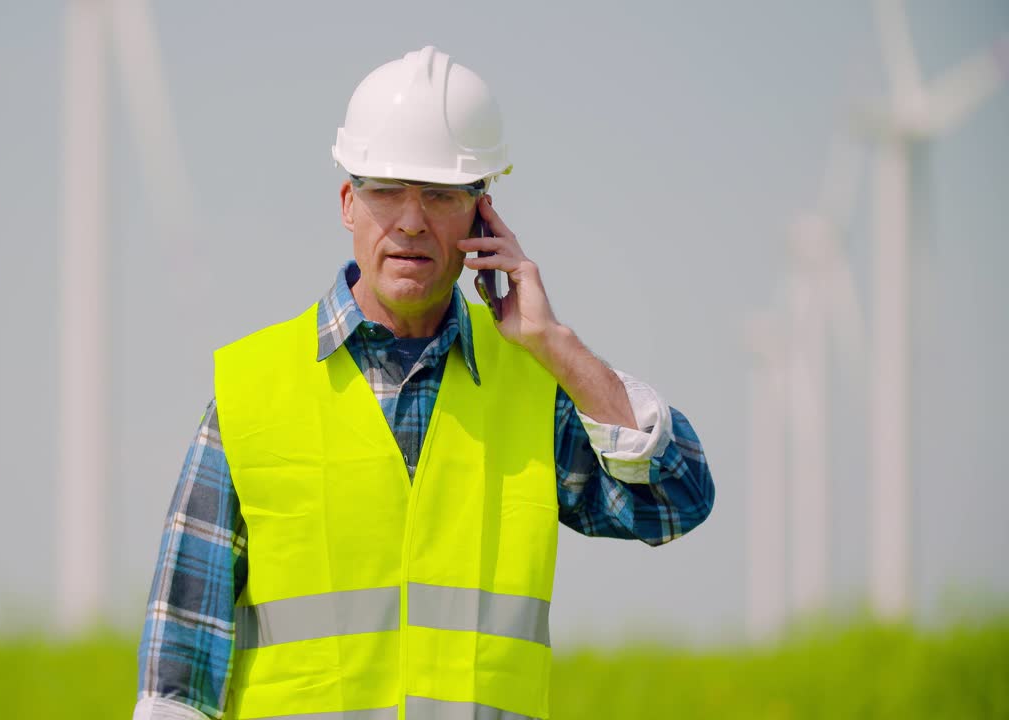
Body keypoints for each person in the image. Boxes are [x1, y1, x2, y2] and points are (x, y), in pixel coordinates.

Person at [133, 46, 714, 720]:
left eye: (439, 194)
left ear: (481, 217)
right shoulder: (250, 392)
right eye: (386, 191)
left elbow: (677, 498)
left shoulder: (531, 391)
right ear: (349, 203)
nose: (411, 221)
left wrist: (555, 344)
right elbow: (177, 673)